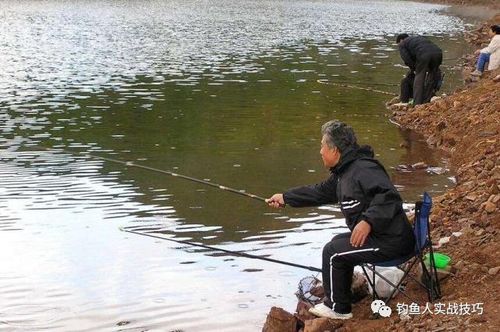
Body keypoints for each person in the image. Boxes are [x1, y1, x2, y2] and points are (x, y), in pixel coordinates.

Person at [266, 120, 415, 320]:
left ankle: (338, 309)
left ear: (335, 150)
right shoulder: (344, 173)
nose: (320, 151)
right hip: (383, 235)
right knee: (336, 242)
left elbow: (389, 197)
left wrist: (367, 221)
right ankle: (342, 296)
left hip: (392, 241)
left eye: (322, 146)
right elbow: (318, 193)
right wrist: (286, 197)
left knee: (333, 253)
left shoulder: (363, 169)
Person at [396, 33, 443, 105]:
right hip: (438, 53)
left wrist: (414, 69)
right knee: (432, 75)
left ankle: (417, 104)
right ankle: (426, 100)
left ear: (401, 40)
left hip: (424, 55)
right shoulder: (418, 39)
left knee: (419, 78)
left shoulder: (402, 44)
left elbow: (406, 59)